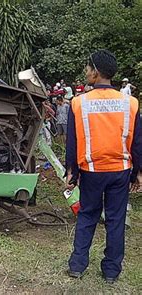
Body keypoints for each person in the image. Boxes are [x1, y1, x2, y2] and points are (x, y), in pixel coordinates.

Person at [65, 50, 141, 283]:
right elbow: (137, 142)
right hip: (119, 171)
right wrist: (138, 172)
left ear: (96, 72)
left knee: (87, 216)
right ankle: (111, 272)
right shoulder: (130, 103)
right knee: (116, 220)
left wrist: (72, 172)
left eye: (88, 68)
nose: (86, 72)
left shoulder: (78, 103)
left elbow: (73, 141)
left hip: (91, 171)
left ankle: (77, 265)